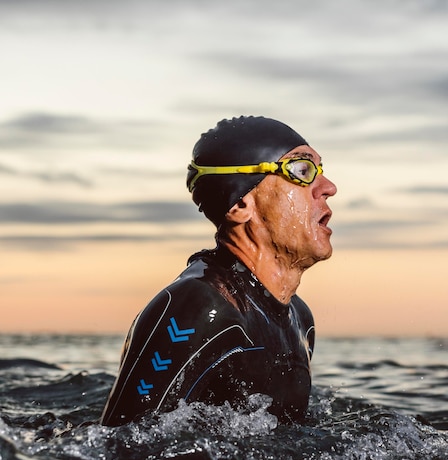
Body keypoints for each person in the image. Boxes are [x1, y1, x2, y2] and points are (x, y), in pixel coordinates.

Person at [101, 115, 337, 427]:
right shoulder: (196, 307)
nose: (329, 187)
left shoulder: (299, 320)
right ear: (240, 204)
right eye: (302, 170)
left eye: (320, 170)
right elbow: (117, 449)